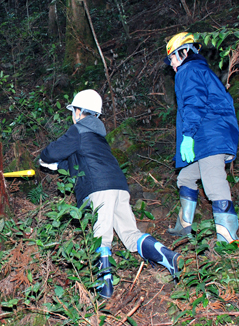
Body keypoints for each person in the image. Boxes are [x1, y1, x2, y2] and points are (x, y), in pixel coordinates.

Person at [39, 89, 181, 298]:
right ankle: (167, 256)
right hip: (118, 187)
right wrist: (55, 166)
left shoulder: (77, 130)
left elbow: (51, 151)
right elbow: (80, 163)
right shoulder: (98, 136)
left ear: (79, 112)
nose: (72, 115)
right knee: (130, 235)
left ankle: (104, 290)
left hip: (99, 189)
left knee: (101, 237)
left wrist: (44, 158)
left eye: (74, 110)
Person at [164, 32, 239, 243]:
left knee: (214, 184)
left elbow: (194, 104)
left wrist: (188, 136)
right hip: (210, 137)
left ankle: (228, 240)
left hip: (210, 137)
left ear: (184, 52)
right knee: (186, 177)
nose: (171, 64)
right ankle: (184, 226)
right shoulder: (200, 70)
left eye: (172, 58)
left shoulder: (188, 70)